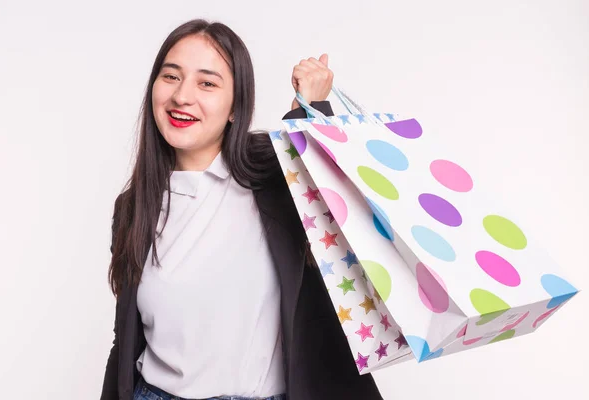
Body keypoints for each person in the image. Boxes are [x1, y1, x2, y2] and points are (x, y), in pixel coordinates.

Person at [101, 19, 383, 400]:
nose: (182, 96)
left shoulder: (276, 180)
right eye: (171, 77)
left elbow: (337, 181)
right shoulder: (134, 207)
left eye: (207, 83)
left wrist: (313, 104)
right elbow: (126, 340)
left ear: (236, 106)